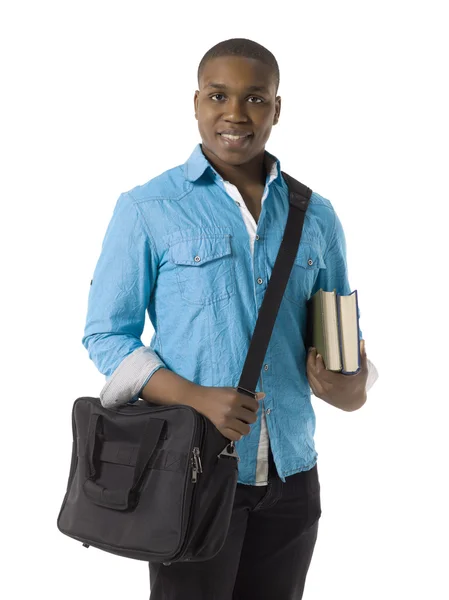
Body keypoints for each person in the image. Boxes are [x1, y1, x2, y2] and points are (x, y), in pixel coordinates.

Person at [82, 38, 378, 600]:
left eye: (255, 98)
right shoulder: (149, 207)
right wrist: (195, 396)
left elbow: (344, 346)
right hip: (190, 470)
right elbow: (106, 335)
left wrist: (352, 386)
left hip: (293, 473)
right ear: (196, 103)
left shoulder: (315, 215)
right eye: (219, 95)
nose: (236, 113)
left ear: (277, 109)